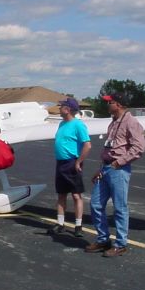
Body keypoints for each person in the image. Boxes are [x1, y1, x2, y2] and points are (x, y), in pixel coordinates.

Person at [86, 92, 145, 257]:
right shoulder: (113, 123)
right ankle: (103, 239)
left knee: (120, 208)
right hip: (106, 168)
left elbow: (139, 147)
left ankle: (121, 244)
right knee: (96, 205)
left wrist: (119, 162)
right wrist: (101, 168)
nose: (107, 105)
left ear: (118, 104)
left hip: (119, 170)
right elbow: (108, 148)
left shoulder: (131, 122)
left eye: (110, 102)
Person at [51, 97, 91, 237]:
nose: (59, 108)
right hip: (61, 163)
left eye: (61, 106)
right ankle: (60, 223)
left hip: (72, 162)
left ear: (67, 109)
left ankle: (78, 225)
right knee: (61, 194)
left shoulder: (78, 125)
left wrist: (78, 161)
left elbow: (87, 145)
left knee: (76, 195)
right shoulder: (61, 124)